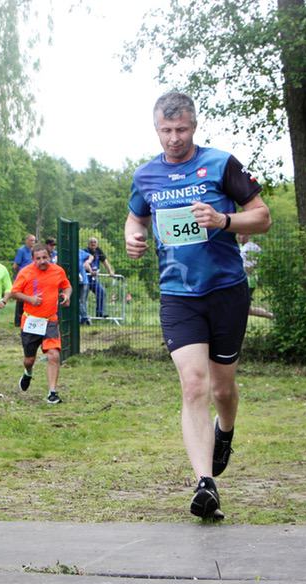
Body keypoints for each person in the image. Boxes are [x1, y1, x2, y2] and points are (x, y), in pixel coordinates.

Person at [124, 91, 271, 520]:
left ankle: (225, 429)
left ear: (194, 126)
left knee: (223, 389)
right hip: (178, 295)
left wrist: (224, 220)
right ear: (156, 129)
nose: (174, 138)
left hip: (226, 290)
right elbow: (136, 217)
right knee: (193, 384)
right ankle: (206, 484)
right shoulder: (146, 176)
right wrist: (133, 237)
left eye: (182, 129)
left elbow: (262, 216)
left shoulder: (221, 164)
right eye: (166, 130)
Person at [6, 243, 71, 404]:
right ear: (33, 259)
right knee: (29, 359)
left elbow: (67, 286)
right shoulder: (25, 272)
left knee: (54, 355)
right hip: (31, 321)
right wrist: (30, 299)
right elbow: (14, 292)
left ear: (50, 256)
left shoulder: (58, 271)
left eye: (45, 257)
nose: (42, 261)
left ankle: (52, 393)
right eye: (38, 258)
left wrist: (66, 295)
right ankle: (27, 372)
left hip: (50, 320)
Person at [237, 233, 274, 320]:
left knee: (241, 308)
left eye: (242, 234)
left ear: (248, 234)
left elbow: (251, 267)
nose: (239, 236)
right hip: (244, 280)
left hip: (248, 281)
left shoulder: (250, 248)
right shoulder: (241, 247)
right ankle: (272, 316)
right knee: (244, 308)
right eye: (238, 234)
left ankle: (272, 316)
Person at [85, 237, 114, 318]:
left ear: (97, 244)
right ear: (88, 244)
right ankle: (82, 316)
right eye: (91, 242)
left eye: (95, 242)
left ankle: (100, 313)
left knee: (101, 292)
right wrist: (90, 271)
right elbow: (84, 264)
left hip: (93, 279)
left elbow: (105, 261)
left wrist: (110, 271)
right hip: (85, 277)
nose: (93, 243)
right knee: (83, 297)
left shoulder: (99, 251)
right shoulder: (85, 251)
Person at [11, 233, 36, 326]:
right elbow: (15, 265)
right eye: (31, 240)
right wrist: (22, 273)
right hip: (23, 278)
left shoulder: (33, 251)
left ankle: (28, 318)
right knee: (20, 299)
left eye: (34, 240)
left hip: (32, 278)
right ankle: (18, 320)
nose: (33, 242)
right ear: (27, 241)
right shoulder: (21, 251)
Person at [78, 246, 94, 325]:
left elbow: (91, 256)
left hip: (83, 281)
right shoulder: (66, 254)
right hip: (73, 282)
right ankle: (83, 318)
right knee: (78, 302)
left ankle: (85, 318)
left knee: (82, 301)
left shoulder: (80, 252)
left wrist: (88, 261)